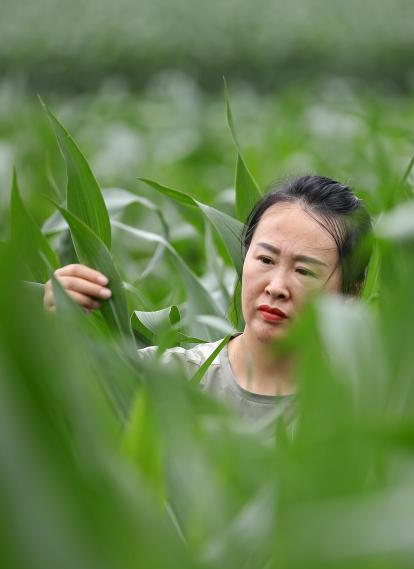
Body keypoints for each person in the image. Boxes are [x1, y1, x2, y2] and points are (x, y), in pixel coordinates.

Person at [43, 175, 372, 423]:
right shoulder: (164, 378)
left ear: (350, 292)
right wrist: (50, 331)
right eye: (266, 259)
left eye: (304, 271)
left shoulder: (362, 406)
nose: (276, 287)